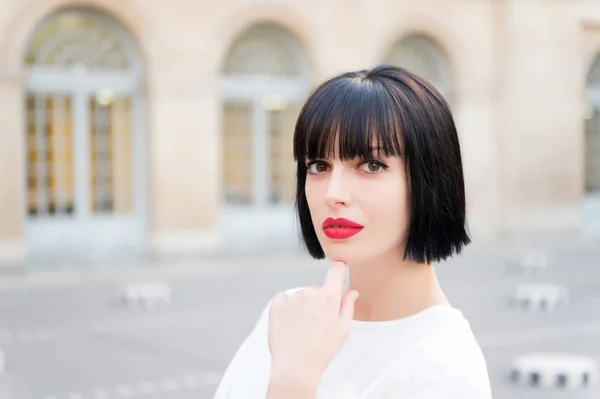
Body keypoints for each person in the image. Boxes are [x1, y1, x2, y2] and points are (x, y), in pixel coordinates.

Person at [213, 65, 493, 399]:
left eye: (371, 166)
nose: (333, 193)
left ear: (430, 180)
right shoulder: (292, 314)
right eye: (318, 166)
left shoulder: (446, 372)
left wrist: (293, 384)